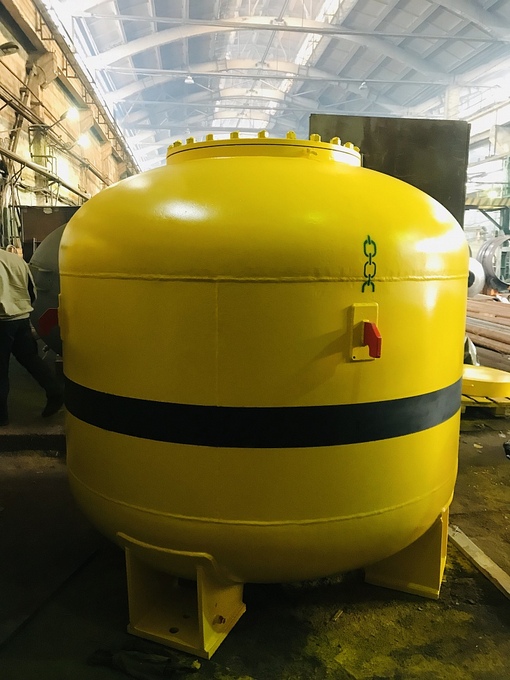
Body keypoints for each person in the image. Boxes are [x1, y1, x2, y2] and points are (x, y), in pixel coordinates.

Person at [0, 245, 63, 425]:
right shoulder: (15, 260)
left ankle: (1, 417)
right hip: (21, 317)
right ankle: (56, 392)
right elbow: (31, 290)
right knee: (30, 359)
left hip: (2, 320)